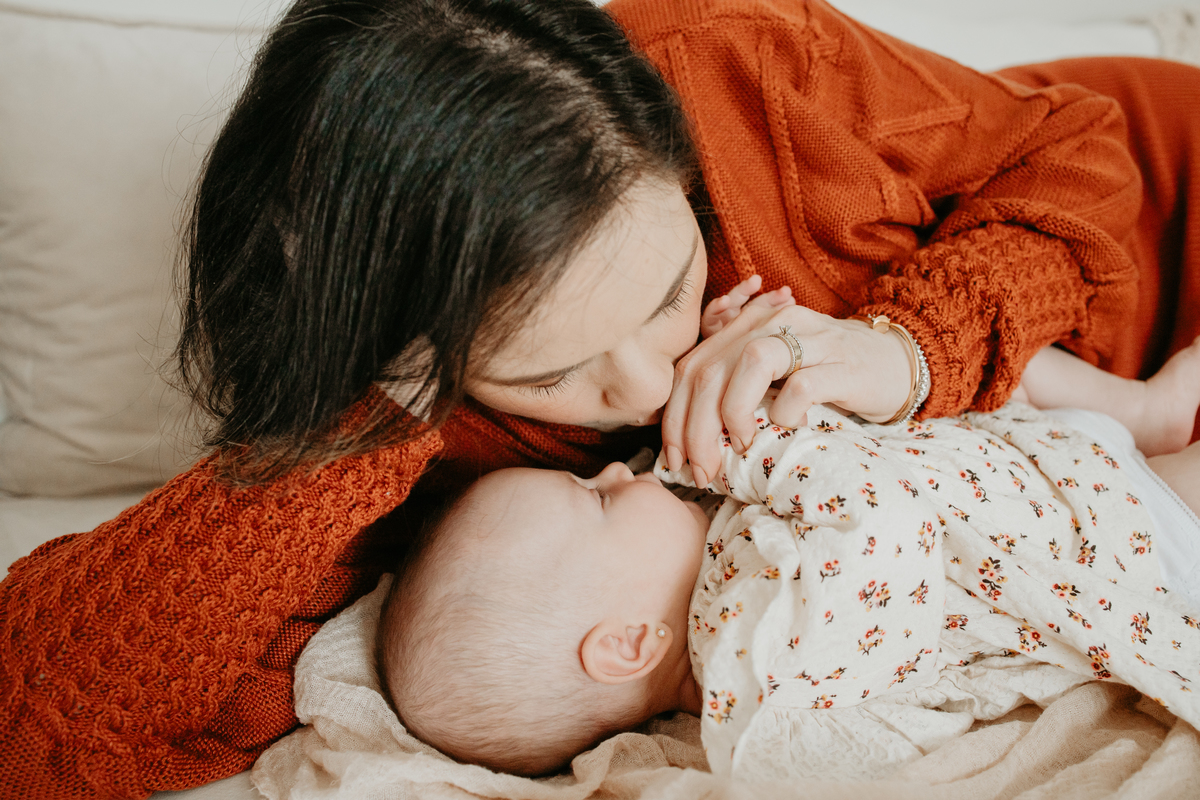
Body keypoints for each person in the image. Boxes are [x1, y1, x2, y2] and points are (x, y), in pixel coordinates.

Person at [2, 0, 1199, 795]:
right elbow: (36, 730)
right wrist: (366, 418)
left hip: (1160, 223)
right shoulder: (404, 429)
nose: (645, 383)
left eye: (672, 286)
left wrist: (905, 347)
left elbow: (1076, 151)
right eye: (550, 371)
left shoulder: (727, 64)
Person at [377, 338, 1200, 779]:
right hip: (1124, 536)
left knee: (959, 353)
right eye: (595, 497)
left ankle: (1148, 408)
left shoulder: (709, 585)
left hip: (1029, 465)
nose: (615, 471)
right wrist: (759, 455)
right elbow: (881, 526)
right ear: (628, 644)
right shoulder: (768, 670)